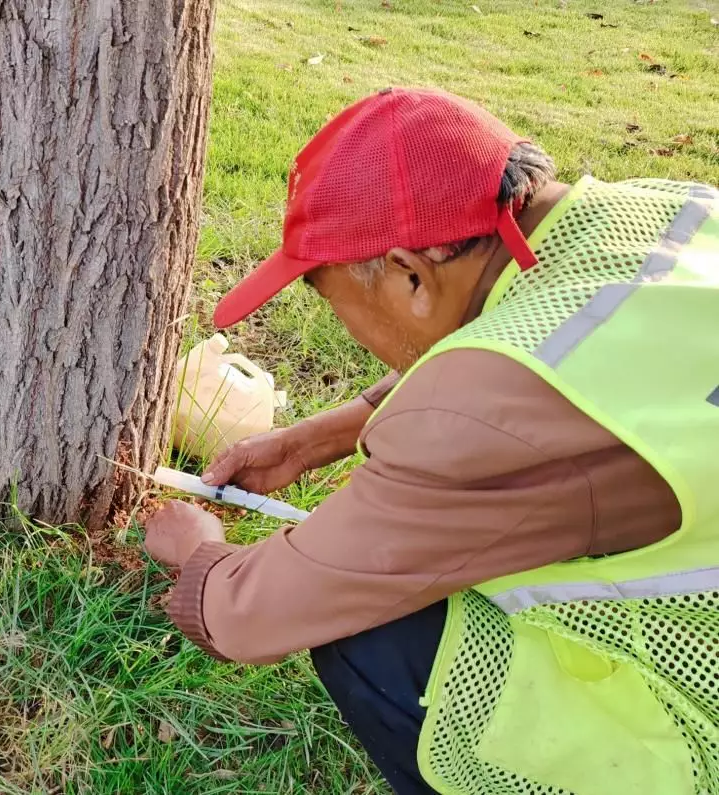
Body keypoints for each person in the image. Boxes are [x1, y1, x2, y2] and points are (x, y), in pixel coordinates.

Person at [142, 86, 719, 795]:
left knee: (374, 637)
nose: (344, 327)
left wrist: (197, 552)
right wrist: (315, 439)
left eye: (331, 299)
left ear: (410, 274)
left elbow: (251, 612)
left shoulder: (473, 420)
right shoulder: (662, 212)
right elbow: (577, 353)